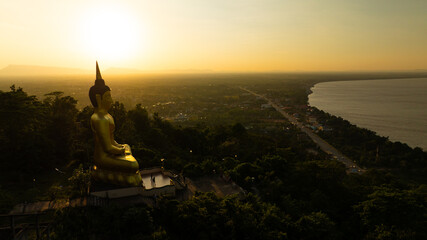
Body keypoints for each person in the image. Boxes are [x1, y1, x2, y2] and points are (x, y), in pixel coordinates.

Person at [89, 62, 142, 186]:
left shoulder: (107, 116)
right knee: (133, 165)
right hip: (103, 157)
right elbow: (107, 148)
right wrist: (121, 151)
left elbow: (112, 142)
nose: (111, 100)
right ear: (98, 98)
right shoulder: (99, 119)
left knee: (127, 146)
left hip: (111, 152)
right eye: (108, 97)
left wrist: (121, 148)